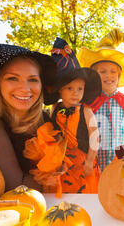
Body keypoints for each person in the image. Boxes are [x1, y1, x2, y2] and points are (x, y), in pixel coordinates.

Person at [0, 43, 57, 192]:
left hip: (60, 207)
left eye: (33, 79)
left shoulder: (45, 119)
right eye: (13, 78)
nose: (25, 88)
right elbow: (16, 188)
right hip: (10, 212)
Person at [23, 37, 102, 197]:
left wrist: (89, 161)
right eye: (70, 88)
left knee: (86, 192)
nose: (76, 93)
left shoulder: (86, 111)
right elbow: (53, 130)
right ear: (59, 90)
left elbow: (95, 138)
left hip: (82, 160)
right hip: (63, 161)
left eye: (80, 89)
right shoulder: (56, 108)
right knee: (63, 193)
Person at [77, 28, 124, 172]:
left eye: (113, 71)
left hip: (122, 162)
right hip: (95, 161)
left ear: (119, 75)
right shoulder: (89, 102)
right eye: (102, 72)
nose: (108, 76)